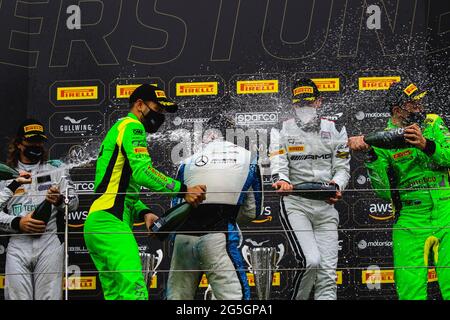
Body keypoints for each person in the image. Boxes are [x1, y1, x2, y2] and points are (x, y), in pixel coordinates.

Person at [84, 84, 206, 300]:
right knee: (135, 291)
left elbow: (117, 187)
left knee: (117, 296)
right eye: (157, 109)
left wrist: (143, 212)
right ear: (139, 105)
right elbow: (143, 173)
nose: (160, 116)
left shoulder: (119, 129)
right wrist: (183, 190)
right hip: (109, 223)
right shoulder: (133, 127)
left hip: (99, 222)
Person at [348, 81, 450, 300]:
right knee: (410, 292)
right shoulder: (382, 140)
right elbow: (384, 191)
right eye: (413, 104)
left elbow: (449, 156)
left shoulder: (433, 123)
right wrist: (371, 157)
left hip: (446, 211)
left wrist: (426, 144)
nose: (420, 108)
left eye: (419, 103)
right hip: (409, 220)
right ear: (397, 111)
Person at [269, 78, 350, 300]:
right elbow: (278, 165)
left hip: (326, 207)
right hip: (296, 204)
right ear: (293, 105)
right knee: (311, 261)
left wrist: (337, 185)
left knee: (327, 274)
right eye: (300, 104)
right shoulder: (280, 130)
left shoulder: (336, 129)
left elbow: (343, 168)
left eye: (308, 103)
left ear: (319, 102)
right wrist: (281, 180)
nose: (304, 107)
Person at [166, 115, 263, 300]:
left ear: (205, 136)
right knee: (234, 300)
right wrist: (230, 218)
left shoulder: (186, 162)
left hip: (182, 239)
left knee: (177, 299)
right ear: (232, 135)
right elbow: (253, 211)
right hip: (218, 235)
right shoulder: (248, 159)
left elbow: (175, 208)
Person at [0, 119, 79, 300]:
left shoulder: (57, 169)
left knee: (50, 297)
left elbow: (73, 202)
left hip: (49, 242)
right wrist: (18, 222)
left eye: (39, 141)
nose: (36, 145)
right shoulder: (5, 173)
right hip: (18, 243)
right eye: (31, 141)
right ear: (19, 144)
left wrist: (59, 199)